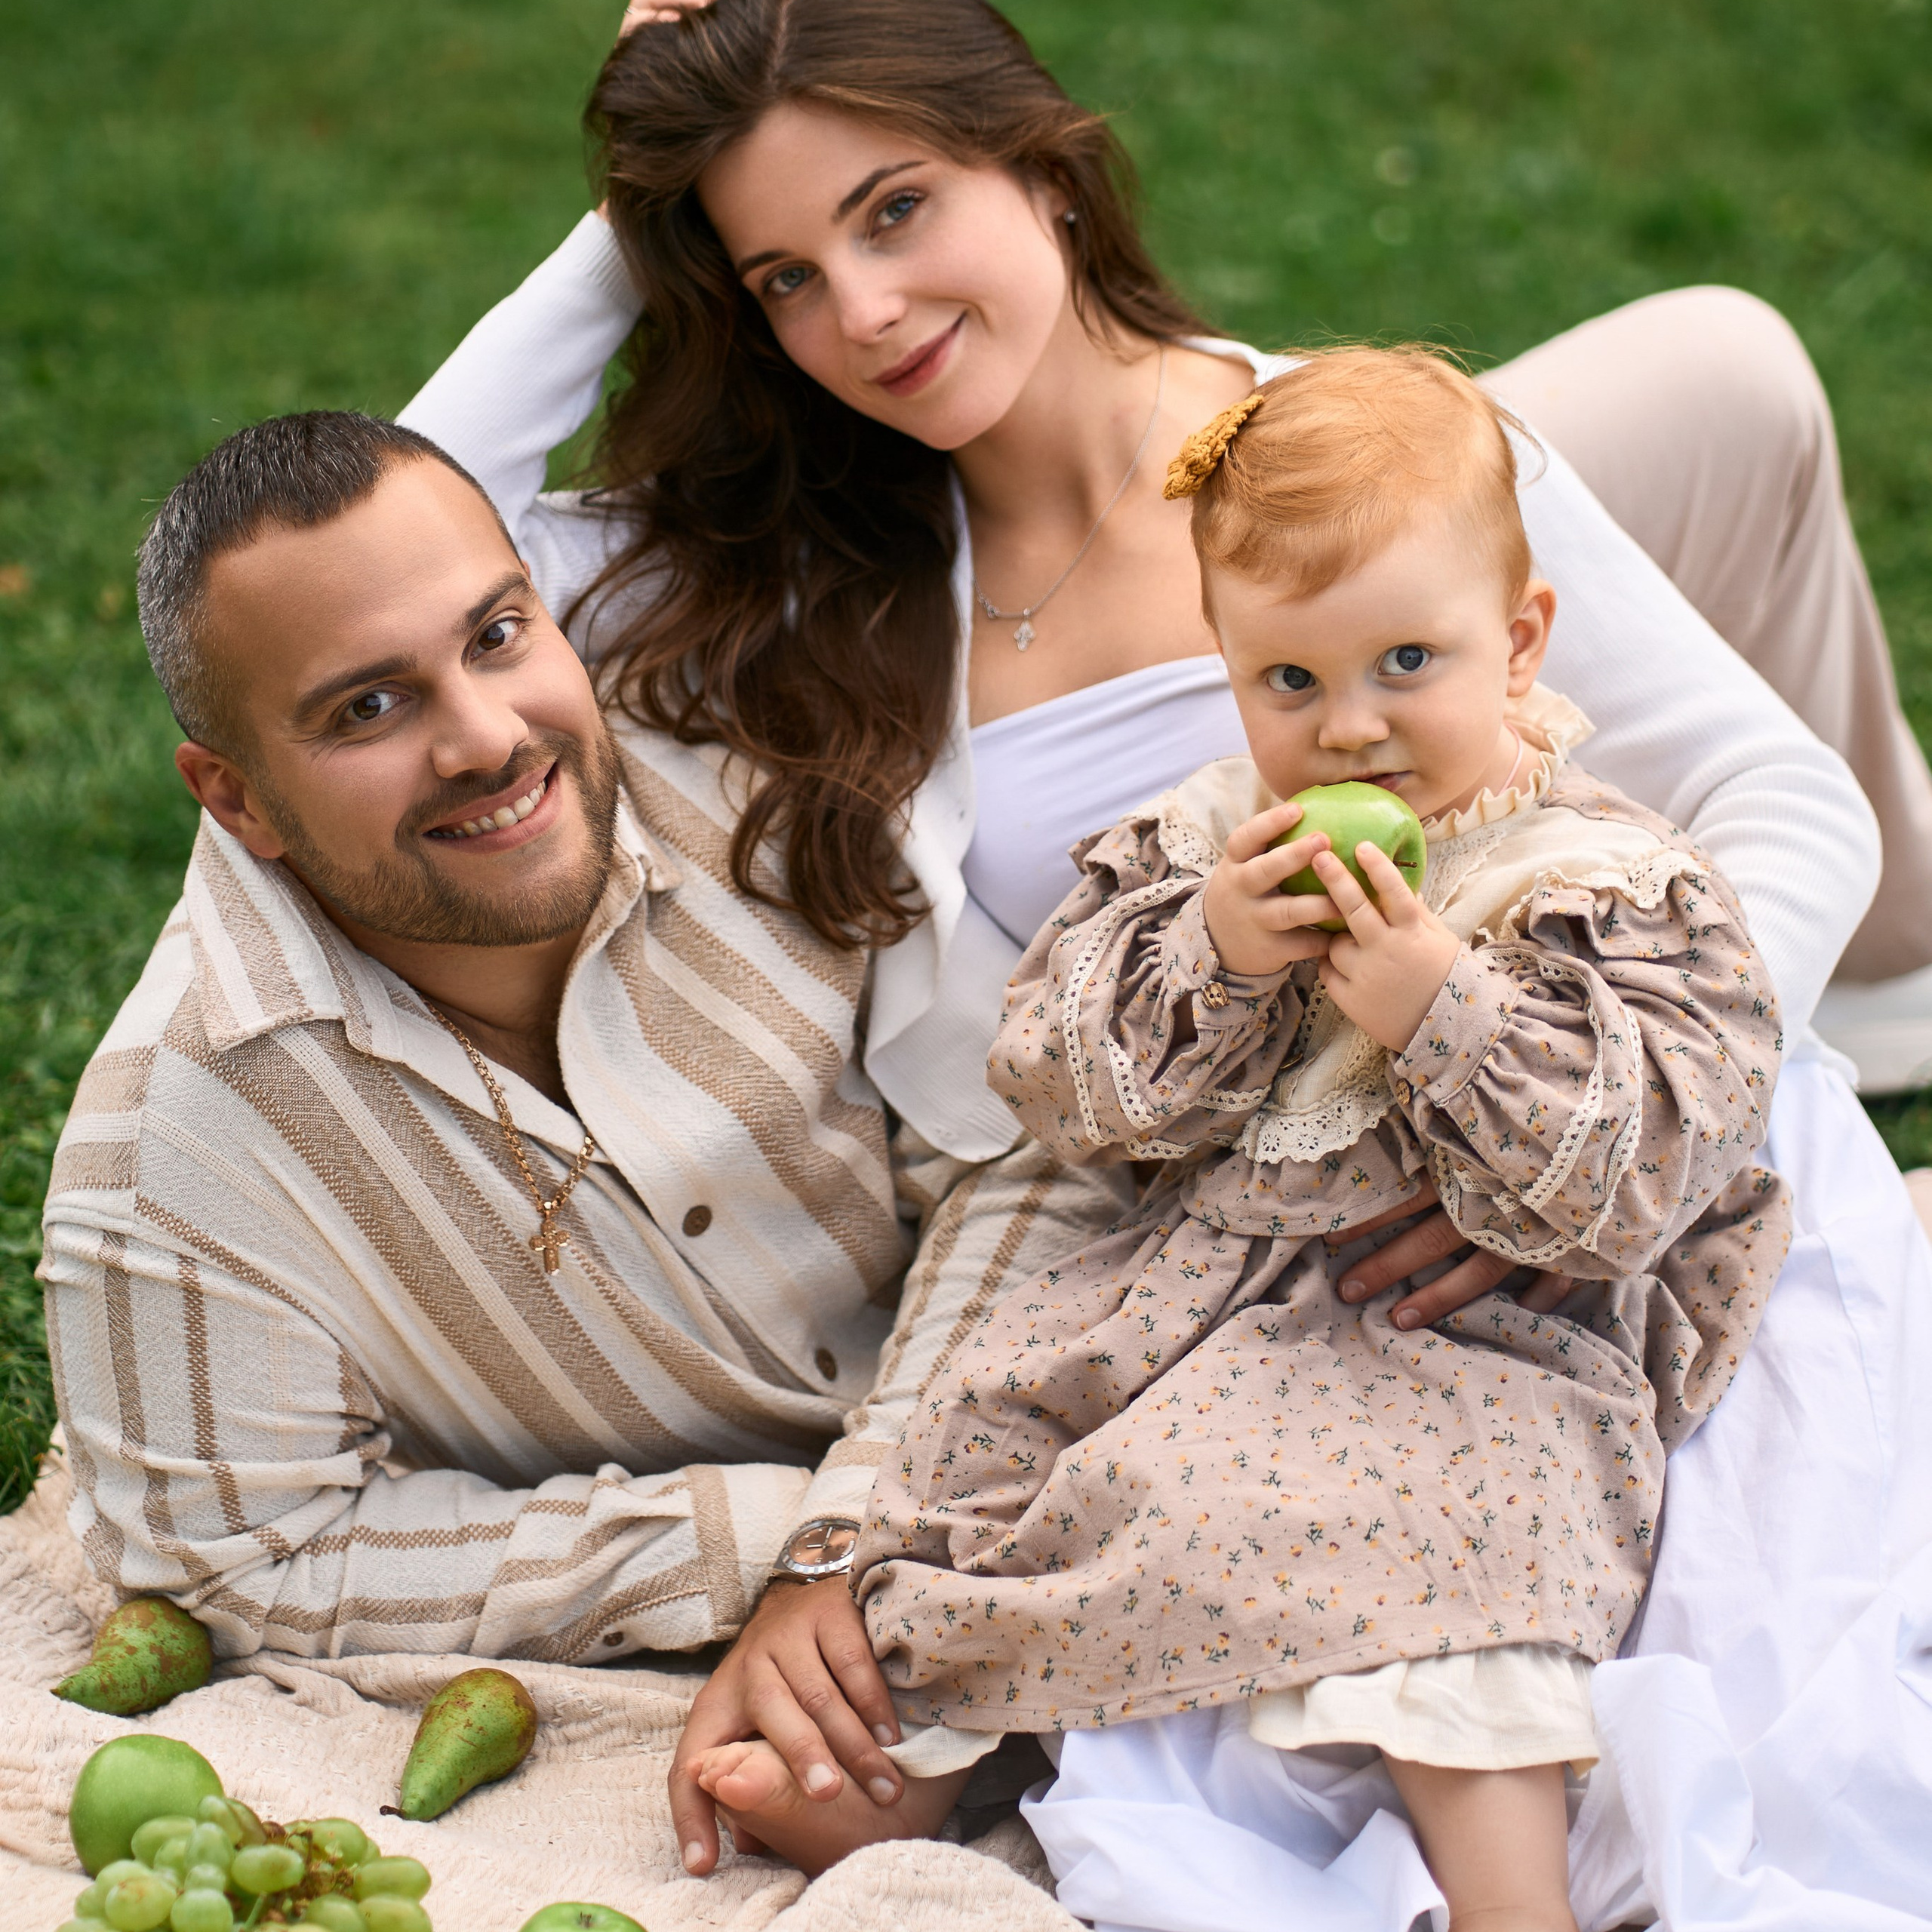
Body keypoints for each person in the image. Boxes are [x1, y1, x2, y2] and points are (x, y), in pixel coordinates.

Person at [388, 0, 1930, 1887]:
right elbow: (414, 512)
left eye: (896, 209)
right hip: (1195, 1247)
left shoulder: (1368, 477)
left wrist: (1584, 1102)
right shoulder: (801, 575)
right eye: (784, 273)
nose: (859, 315)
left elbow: (1789, 804)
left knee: (1702, 1724)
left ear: (1036, 161)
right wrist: (644, 202)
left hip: (1546, 1179)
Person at [835, 348, 1790, 1930]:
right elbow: (1060, 1089)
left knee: (1454, 1528)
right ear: (1228, 670)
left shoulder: (1595, 872)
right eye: (1288, 681)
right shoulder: (1210, 843)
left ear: (1520, 640)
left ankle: (1511, 1903)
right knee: (1014, 1475)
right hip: (1217, 1302)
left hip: (1474, 1325)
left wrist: (1446, 1011)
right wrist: (1210, 952)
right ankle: (925, 1754)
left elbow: (1655, 1149)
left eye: (1402, 660)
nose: (1345, 729)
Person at [37, 408, 1121, 1769]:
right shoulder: (168, 1161)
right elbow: (250, 1560)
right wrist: (754, 1549)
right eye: (367, 708)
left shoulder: (763, 794)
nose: (487, 740)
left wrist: (870, 1512)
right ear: (234, 798)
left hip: (1057, 1436)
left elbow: (1024, 1149)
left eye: (496, 637)